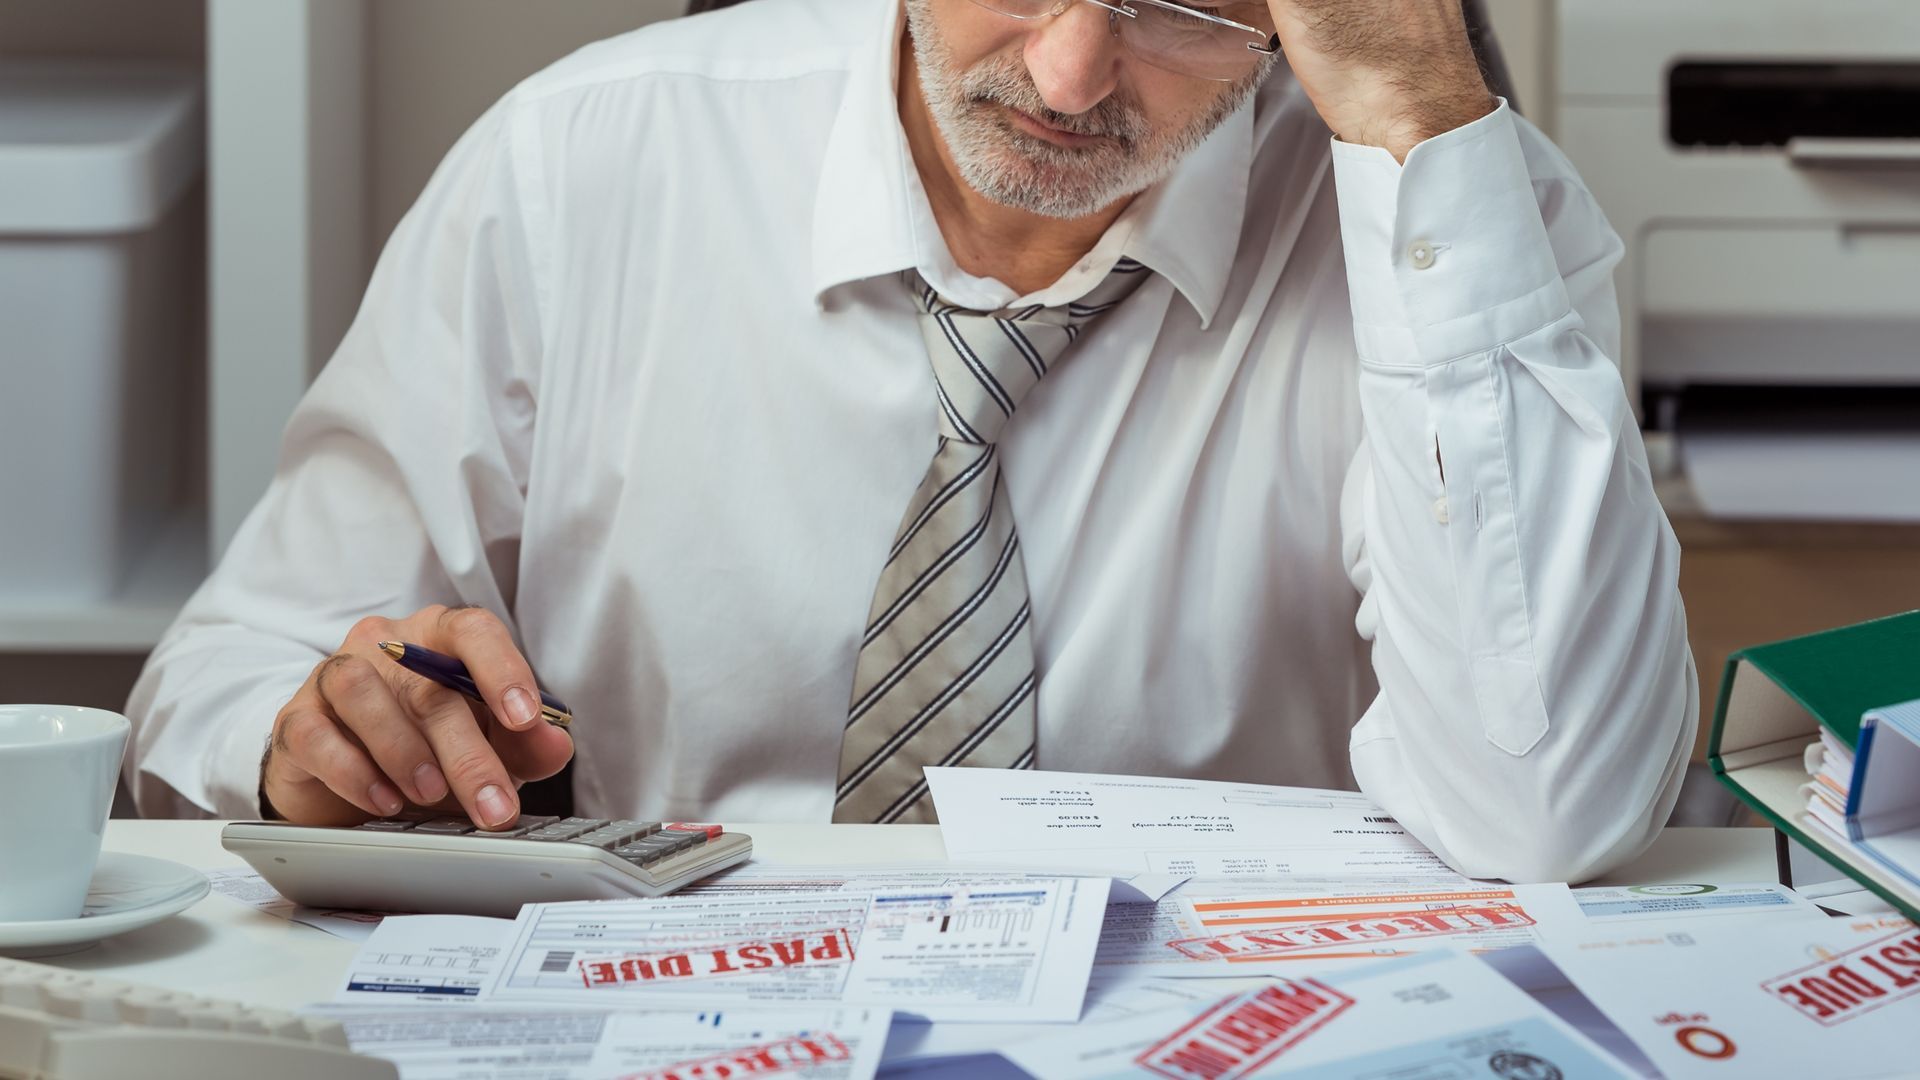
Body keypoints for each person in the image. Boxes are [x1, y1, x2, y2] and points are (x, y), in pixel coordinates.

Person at [127, 0, 1697, 882]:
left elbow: (1549, 808)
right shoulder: (583, 161)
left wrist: (1425, 109)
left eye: (1181, 8)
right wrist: (313, 740)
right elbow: (214, 684)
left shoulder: (1455, 221)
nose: (1072, 74)